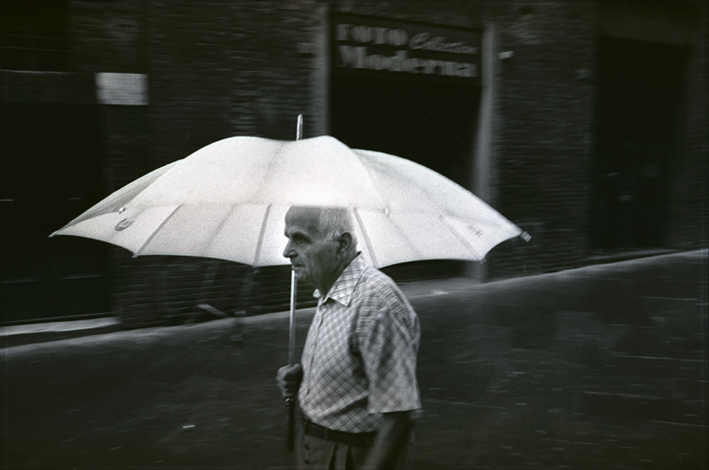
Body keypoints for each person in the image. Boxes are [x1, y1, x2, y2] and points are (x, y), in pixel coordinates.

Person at [276, 205, 421, 470]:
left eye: (300, 238)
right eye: (287, 238)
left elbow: (400, 414)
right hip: (316, 448)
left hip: (353, 456)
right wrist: (306, 378)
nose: (287, 251)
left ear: (341, 244)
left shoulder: (376, 303)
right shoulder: (329, 290)